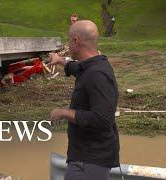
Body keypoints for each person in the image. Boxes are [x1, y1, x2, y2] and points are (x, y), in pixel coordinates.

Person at [48, 19, 120, 180]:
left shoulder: (96, 75)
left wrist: (64, 113)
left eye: (69, 39)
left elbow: (102, 119)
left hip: (91, 159)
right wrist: (60, 61)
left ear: (76, 41)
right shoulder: (91, 65)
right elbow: (77, 68)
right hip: (83, 155)